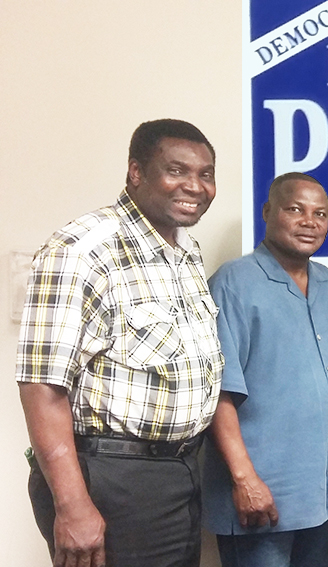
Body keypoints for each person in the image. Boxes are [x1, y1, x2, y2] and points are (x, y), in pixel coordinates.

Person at [16, 119, 222, 567]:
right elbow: (42, 386)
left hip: (179, 474)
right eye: (177, 170)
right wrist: (72, 506)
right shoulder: (82, 249)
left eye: (206, 174)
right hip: (110, 479)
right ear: (136, 172)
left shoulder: (187, 252)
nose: (195, 185)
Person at [201, 173, 328, 567]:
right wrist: (244, 479)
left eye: (320, 213)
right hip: (262, 496)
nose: (310, 221)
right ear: (268, 212)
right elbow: (218, 392)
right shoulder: (233, 283)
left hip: (322, 494)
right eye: (295, 209)